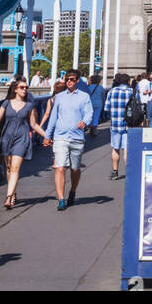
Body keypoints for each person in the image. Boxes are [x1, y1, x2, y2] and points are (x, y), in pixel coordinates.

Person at [0, 77, 49, 207]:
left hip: (22, 138)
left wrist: (47, 136)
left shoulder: (29, 106)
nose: (24, 90)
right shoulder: (6, 103)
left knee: (15, 168)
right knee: (9, 168)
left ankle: (9, 197)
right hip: (7, 137)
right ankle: (13, 192)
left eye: (26, 88)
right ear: (15, 89)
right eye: (21, 87)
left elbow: (34, 125)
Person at [44, 70, 93, 210]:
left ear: (77, 80)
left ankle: (72, 190)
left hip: (77, 137)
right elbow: (53, 116)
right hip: (61, 136)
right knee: (60, 168)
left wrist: (85, 121)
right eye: (67, 80)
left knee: (75, 169)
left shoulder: (84, 96)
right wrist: (48, 135)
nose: (69, 82)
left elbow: (89, 113)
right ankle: (61, 199)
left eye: (71, 79)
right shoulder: (59, 97)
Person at [104, 74, 134, 179]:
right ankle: (130, 174)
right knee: (127, 149)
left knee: (115, 148)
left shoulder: (111, 91)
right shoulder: (132, 92)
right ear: (128, 81)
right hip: (128, 124)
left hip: (115, 124)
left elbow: (106, 108)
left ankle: (115, 172)